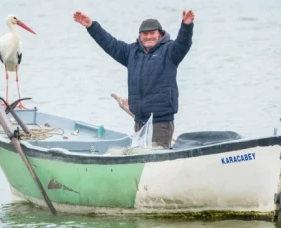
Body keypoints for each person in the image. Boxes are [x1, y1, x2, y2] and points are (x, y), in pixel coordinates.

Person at [73, 10, 195, 149]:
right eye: (145, 33)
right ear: (140, 36)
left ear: (160, 34)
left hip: (160, 123)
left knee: (157, 160)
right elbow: (110, 44)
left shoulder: (170, 51)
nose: (149, 36)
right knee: (142, 159)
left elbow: (183, 43)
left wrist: (186, 26)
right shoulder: (132, 53)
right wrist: (91, 26)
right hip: (139, 121)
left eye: (152, 33)